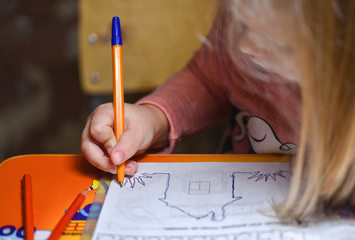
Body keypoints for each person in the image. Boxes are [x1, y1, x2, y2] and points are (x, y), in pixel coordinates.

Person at [81, 0, 355, 220]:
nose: (244, 46)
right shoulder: (246, 23)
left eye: (278, 45)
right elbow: (208, 80)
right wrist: (153, 119)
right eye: (240, 25)